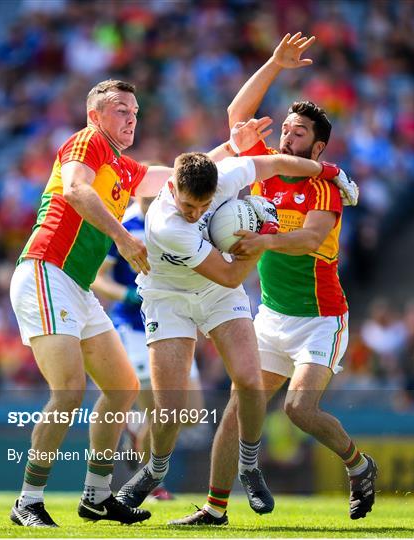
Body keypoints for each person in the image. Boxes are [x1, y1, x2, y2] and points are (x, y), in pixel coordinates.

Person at [169, 32, 375, 527]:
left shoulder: (322, 185)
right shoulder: (263, 170)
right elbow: (237, 114)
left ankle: (358, 464)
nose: (287, 137)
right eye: (286, 129)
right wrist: (275, 64)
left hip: (322, 319)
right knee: (238, 409)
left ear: (318, 147)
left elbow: (308, 240)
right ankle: (214, 510)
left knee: (301, 410)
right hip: (273, 316)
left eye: (299, 133)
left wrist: (260, 242)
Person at [116, 141, 351, 522]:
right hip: (169, 296)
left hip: (215, 295)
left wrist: (331, 172)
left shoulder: (225, 178)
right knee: (171, 407)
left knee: (249, 380)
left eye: (204, 207)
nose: (195, 215)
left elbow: (272, 161)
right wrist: (262, 241)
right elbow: (228, 274)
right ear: (172, 189)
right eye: (188, 206)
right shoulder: (166, 223)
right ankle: (155, 469)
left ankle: (249, 466)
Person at [9, 79, 175, 528]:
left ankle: (96, 495)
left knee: (122, 387)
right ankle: (28, 499)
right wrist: (122, 238)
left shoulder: (123, 167)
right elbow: (77, 192)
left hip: (76, 286)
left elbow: (177, 175)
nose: (130, 118)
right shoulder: (88, 141)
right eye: (121, 109)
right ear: (95, 115)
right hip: (45, 270)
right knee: (68, 390)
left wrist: (231, 152)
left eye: (135, 112)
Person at [92, 194, 204, 500]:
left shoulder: (177, 221)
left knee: (191, 414)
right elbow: (97, 279)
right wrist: (129, 295)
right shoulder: (124, 226)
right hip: (134, 327)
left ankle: (137, 430)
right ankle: (152, 486)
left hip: (174, 324)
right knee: (160, 410)